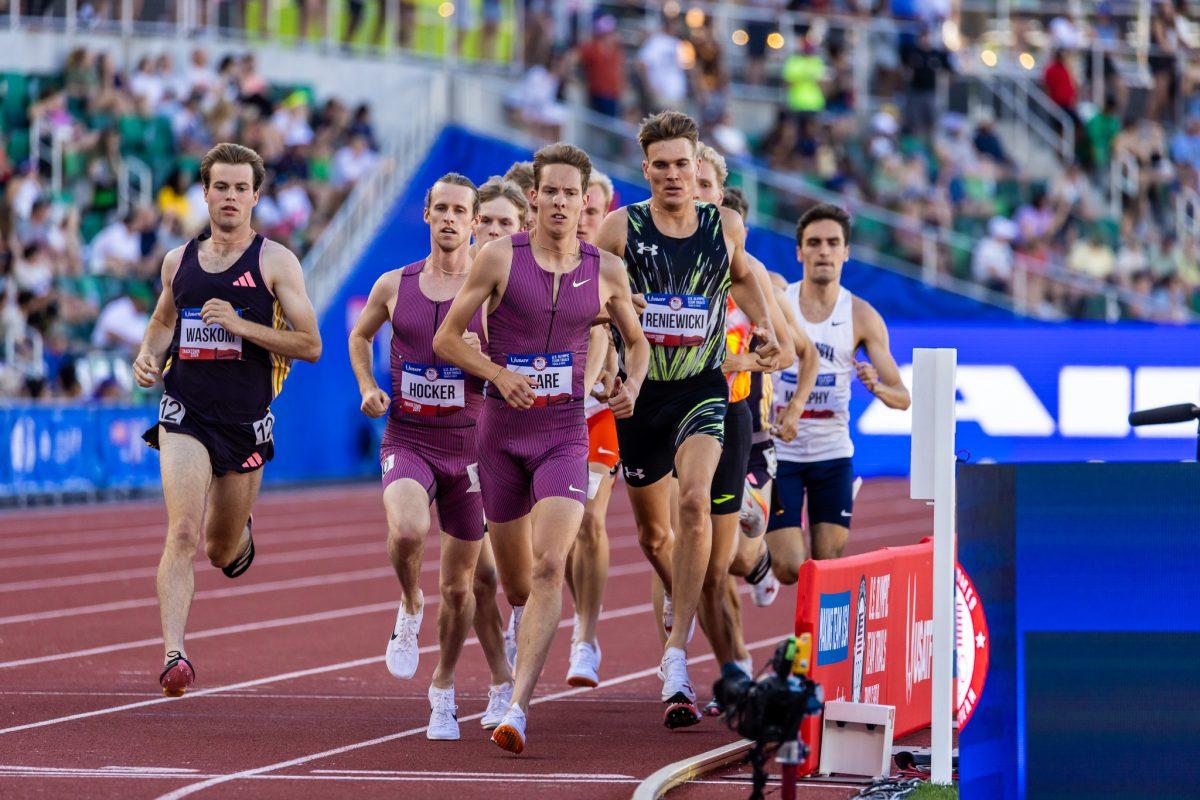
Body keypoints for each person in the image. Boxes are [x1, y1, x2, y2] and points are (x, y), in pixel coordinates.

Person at [433, 143, 649, 754]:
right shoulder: (498, 257)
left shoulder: (606, 269)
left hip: (563, 434)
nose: (558, 202)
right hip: (500, 435)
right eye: (548, 191)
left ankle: (520, 707)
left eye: (569, 193)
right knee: (521, 585)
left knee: (554, 564)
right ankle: (519, 633)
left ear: (586, 202)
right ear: (533, 198)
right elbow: (450, 339)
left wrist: (627, 385)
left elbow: (637, 342)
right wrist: (497, 375)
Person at [595, 111, 780, 729]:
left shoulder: (721, 224)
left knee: (695, 503)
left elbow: (746, 279)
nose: (675, 175)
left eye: (684, 165)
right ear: (645, 169)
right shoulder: (621, 229)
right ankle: (686, 593)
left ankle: (675, 655)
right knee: (654, 538)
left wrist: (767, 331)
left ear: (699, 168)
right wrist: (621, 312)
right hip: (641, 395)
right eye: (662, 165)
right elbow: (584, 294)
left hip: (704, 388)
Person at [134, 143, 322, 697]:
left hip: (244, 420)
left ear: (256, 196)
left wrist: (243, 328)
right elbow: (161, 323)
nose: (231, 197)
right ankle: (174, 654)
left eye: (241, 188)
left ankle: (239, 534)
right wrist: (148, 355)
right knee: (183, 530)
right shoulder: (179, 261)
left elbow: (310, 344)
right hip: (185, 412)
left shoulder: (275, 262)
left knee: (218, 550)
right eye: (221, 187)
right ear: (206, 192)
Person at [347, 173, 513, 741]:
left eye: (459, 211)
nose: (448, 218)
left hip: (469, 449)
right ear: (426, 215)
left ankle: (442, 689)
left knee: (463, 587)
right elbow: (359, 336)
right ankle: (409, 602)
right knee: (410, 531)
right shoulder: (395, 285)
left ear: (473, 222)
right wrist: (368, 385)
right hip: (408, 438)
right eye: (439, 208)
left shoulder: (494, 294)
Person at [766, 204, 911, 581]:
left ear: (846, 252)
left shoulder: (861, 315)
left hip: (832, 454)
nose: (824, 252)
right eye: (814, 243)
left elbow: (902, 396)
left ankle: (808, 642)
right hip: (781, 452)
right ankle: (762, 563)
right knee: (787, 568)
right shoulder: (779, 303)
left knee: (828, 564)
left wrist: (877, 387)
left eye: (833, 243)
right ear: (800, 252)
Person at [563, 169, 619, 688]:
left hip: (596, 409)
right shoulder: (532, 259)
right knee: (554, 532)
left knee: (590, 523)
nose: (582, 221)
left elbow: (612, 328)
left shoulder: (612, 265)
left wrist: (603, 375)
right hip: (543, 408)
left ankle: (586, 637)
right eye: (576, 208)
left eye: (592, 211)